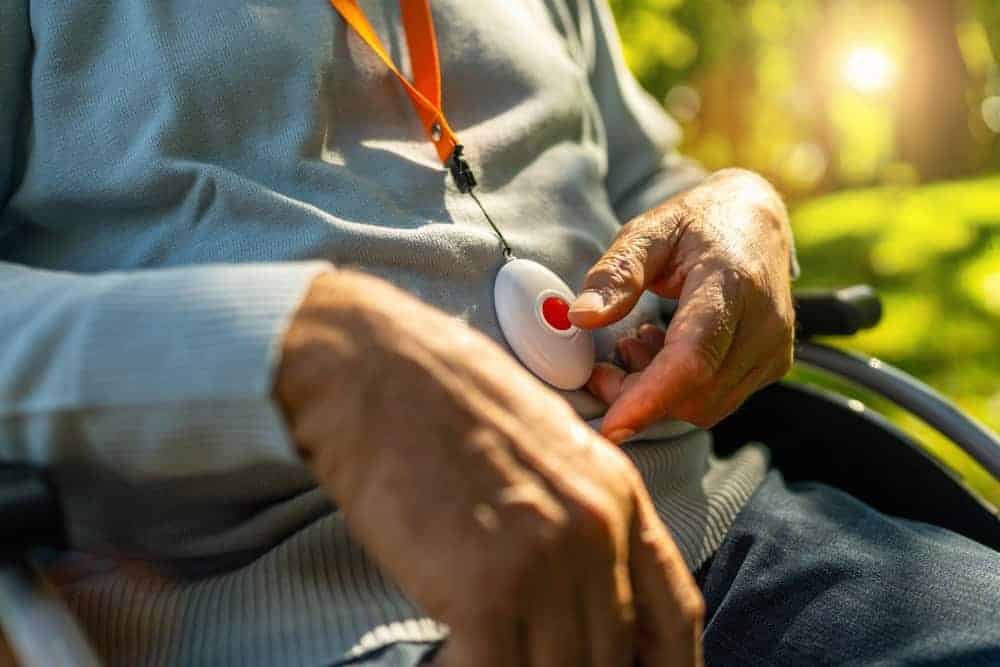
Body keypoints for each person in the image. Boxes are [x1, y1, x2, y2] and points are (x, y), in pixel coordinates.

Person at [1, 1, 997, 665]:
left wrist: (740, 210)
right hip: (321, 624)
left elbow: (644, 177)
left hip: (724, 537)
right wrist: (302, 355)